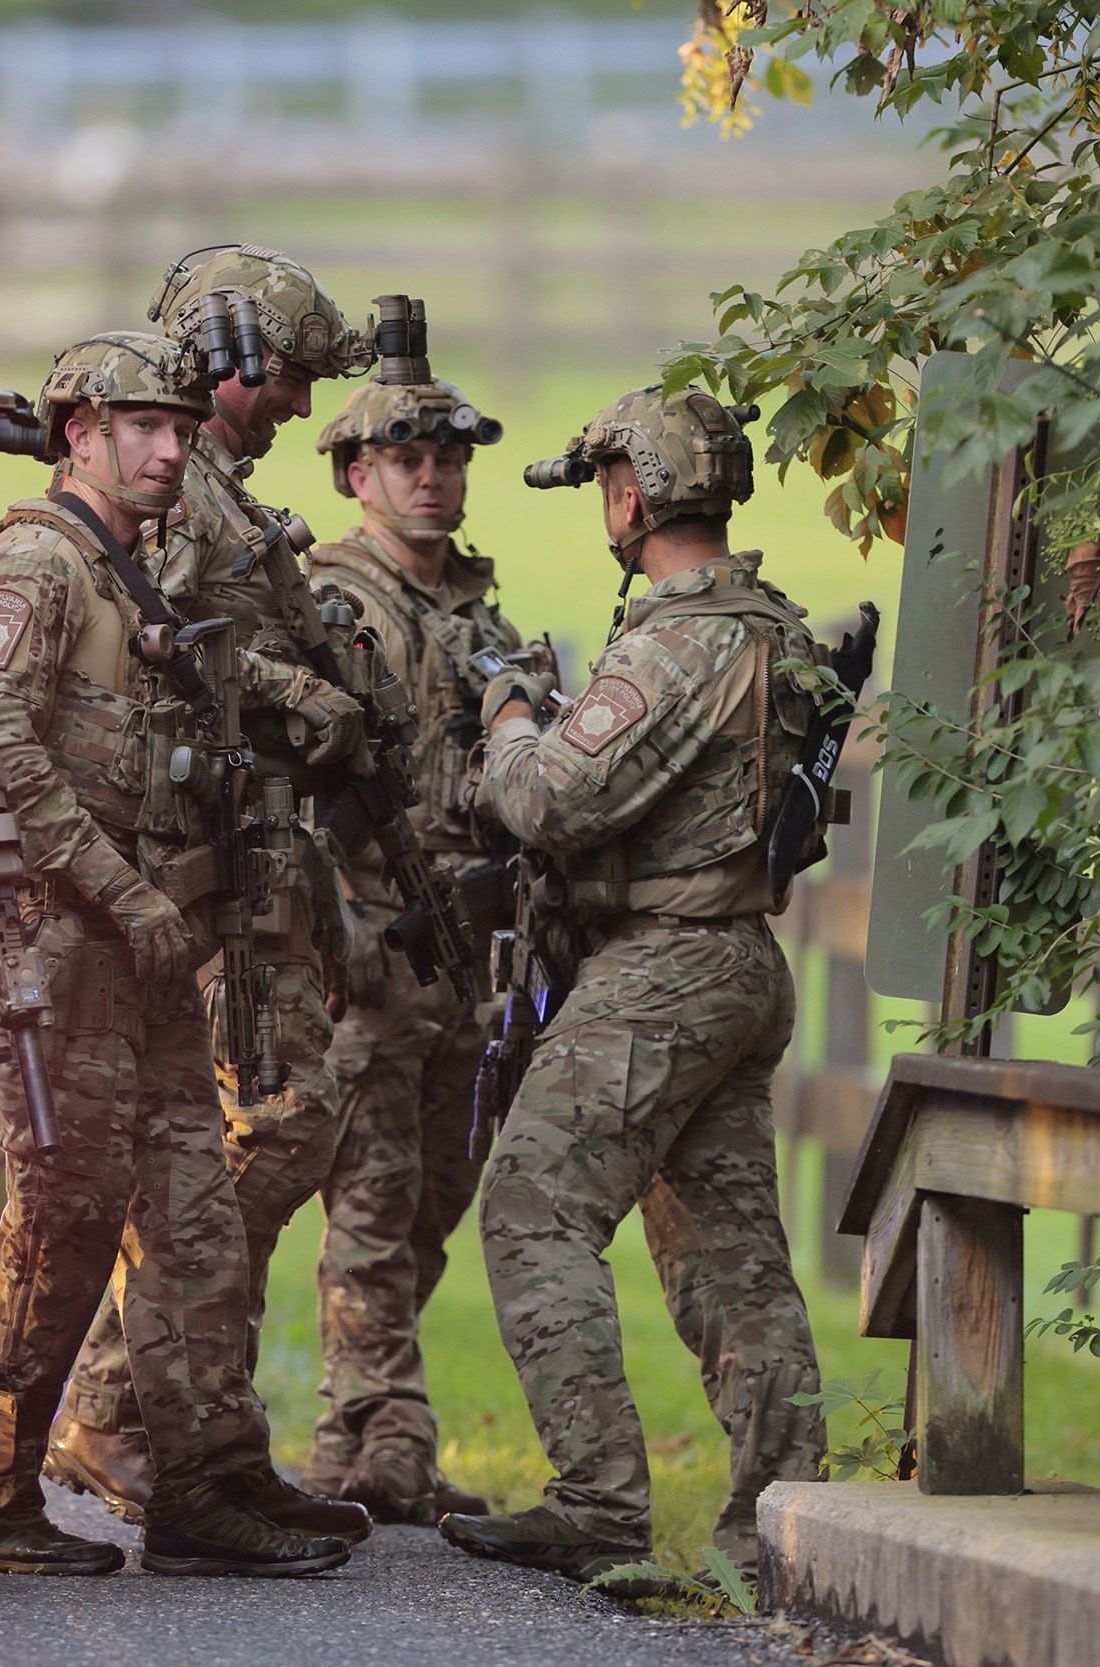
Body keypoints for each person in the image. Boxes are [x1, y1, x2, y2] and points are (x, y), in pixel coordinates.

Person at [0, 331, 360, 1576]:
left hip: (156, 950)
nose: (176, 449)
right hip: (69, 948)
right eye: (146, 429)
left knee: (194, 1219)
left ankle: (206, 1484)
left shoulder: (128, 574)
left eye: (181, 427)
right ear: (80, 434)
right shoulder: (36, 562)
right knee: (63, 1221)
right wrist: (122, 890)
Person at [440, 387, 827, 1580]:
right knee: (728, 1252)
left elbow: (550, 799)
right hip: (740, 961)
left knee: (531, 1203)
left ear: (631, 497)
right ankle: (786, 1523)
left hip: (663, 967)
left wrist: (507, 716)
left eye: (609, 487)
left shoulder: (677, 640)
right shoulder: (777, 624)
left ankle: (598, 1497)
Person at [43, 245, 376, 1525]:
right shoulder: (181, 500)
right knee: (264, 1131)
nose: (298, 403)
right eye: (287, 375)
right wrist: (306, 697)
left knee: (267, 1133)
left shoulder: (223, 492)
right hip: (198, 867)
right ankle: (125, 1402)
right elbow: (162, 658)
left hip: (258, 856)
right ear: (229, 360)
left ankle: (194, 1430)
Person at [298, 368, 536, 1523]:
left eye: (447, 457)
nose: (432, 476)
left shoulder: (478, 615)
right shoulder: (328, 602)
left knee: (437, 1189)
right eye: (406, 458)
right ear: (358, 475)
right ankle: (388, 1432)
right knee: (373, 1195)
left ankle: (351, 1432)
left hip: (469, 948)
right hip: (368, 940)